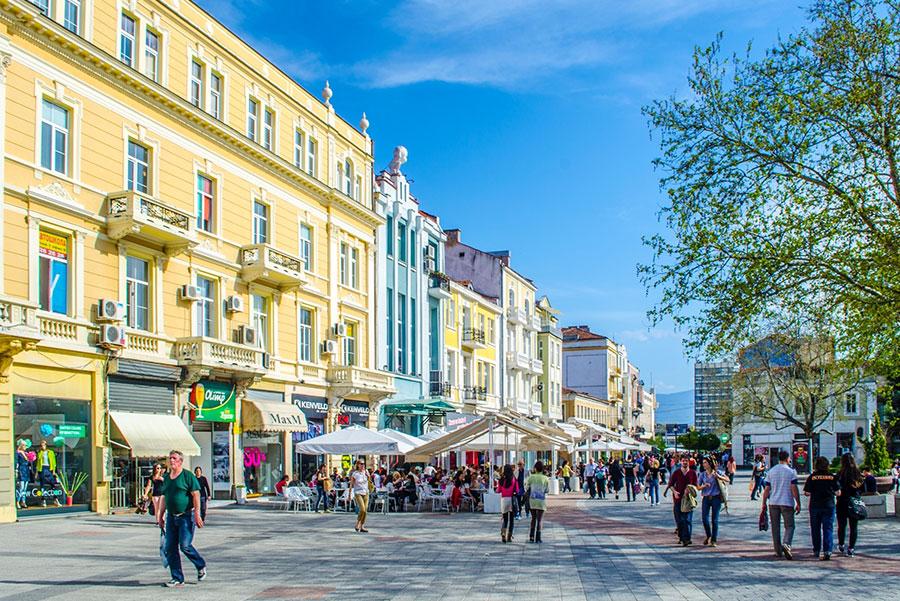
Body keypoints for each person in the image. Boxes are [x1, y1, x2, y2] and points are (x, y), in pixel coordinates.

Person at [157, 450, 206, 588]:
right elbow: (164, 498)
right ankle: (177, 577)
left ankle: (200, 565)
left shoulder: (187, 476)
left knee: (185, 545)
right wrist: (160, 516)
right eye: (170, 458)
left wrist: (197, 514)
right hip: (171, 517)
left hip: (186, 516)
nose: (171, 460)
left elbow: (196, 495)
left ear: (180, 461)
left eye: (174, 458)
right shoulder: (166, 478)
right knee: (169, 547)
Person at [760, 450, 801, 560]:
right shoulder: (791, 472)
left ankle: (778, 551)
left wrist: (764, 503)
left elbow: (767, 489)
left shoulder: (771, 471)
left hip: (773, 502)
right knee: (790, 526)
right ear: (788, 458)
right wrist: (798, 502)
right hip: (787, 502)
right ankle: (786, 543)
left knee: (775, 527)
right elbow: (794, 488)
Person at [803, 455, 840, 560]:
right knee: (828, 528)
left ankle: (816, 550)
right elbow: (838, 492)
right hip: (829, 506)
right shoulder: (832, 477)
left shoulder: (812, 477)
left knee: (815, 529)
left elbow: (807, 492)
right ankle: (828, 550)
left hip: (815, 506)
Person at [836, 453, 863, 557]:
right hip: (854, 501)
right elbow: (861, 488)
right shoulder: (857, 473)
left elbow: (837, 487)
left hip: (842, 502)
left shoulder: (840, 473)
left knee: (841, 525)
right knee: (854, 527)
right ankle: (851, 548)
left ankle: (841, 544)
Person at [668, 455, 698, 546]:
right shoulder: (677, 472)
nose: (685, 462)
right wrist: (675, 492)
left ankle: (687, 539)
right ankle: (681, 537)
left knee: (687, 520)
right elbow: (671, 484)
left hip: (688, 500)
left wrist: (690, 489)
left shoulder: (693, 473)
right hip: (678, 499)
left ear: (689, 462)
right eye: (683, 461)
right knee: (679, 520)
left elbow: (696, 486)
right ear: (681, 462)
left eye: (686, 461)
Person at [698, 457, 726, 547]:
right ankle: (709, 535)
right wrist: (704, 486)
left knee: (715, 520)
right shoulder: (702, 475)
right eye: (703, 463)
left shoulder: (717, 472)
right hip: (706, 498)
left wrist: (719, 476)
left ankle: (714, 540)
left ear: (710, 463)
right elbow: (697, 487)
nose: (704, 464)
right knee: (704, 519)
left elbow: (727, 479)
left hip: (716, 498)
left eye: (705, 462)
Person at [526, 461, 550, 543]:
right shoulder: (545, 478)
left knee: (533, 518)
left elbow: (526, 487)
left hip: (532, 500)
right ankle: (538, 537)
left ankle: (531, 536)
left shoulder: (531, 477)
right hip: (541, 501)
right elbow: (547, 490)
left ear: (535, 468)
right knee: (540, 520)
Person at [35, 440, 60, 507]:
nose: (42, 446)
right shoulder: (40, 453)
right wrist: (36, 473)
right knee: (42, 485)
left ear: (46, 445)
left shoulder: (50, 452)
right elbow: (38, 463)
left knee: (53, 485)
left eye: (44, 444)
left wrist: (54, 471)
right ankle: (43, 500)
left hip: (49, 469)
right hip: (42, 469)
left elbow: (54, 462)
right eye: (41, 445)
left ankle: (56, 499)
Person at [497, 465, 519, 543]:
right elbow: (517, 490)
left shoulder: (501, 480)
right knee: (512, 520)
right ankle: (509, 536)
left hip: (504, 500)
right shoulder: (514, 479)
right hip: (511, 500)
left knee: (505, 519)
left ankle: (503, 533)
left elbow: (498, 490)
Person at [349, 460, 370, 532]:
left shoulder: (366, 471)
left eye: (364, 464)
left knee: (365, 511)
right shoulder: (355, 474)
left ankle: (362, 526)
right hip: (358, 493)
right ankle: (358, 523)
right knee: (362, 509)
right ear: (358, 465)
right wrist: (349, 495)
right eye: (361, 464)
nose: (363, 465)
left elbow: (369, 482)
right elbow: (351, 484)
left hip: (366, 492)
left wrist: (368, 476)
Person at [15, 441, 31, 510]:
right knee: (21, 488)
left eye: (26, 445)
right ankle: (17, 502)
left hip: (26, 470)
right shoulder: (18, 453)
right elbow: (17, 462)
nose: (25, 447)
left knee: (25, 488)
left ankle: (23, 502)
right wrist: (16, 471)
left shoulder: (26, 453)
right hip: (21, 470)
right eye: (24, 445)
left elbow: (29, 461)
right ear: (21, 445)